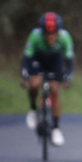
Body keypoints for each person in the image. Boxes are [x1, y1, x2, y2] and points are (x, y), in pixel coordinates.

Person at [22, 12, 75, 146]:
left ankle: (56, 128)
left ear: (58, 31)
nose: (50, 37)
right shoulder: (35, 36)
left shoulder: (65, 37)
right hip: (38, 59)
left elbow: (69, 60)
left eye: (53, 34)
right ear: (42, 31)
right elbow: (27, 58)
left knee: (54, 89)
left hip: (54, 61)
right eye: (47, 33)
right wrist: (25, 74)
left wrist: (67, 76)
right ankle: (33, 109)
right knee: (34, 84)